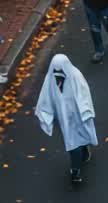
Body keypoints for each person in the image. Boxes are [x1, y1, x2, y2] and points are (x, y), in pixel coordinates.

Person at [35, 54, 98, 188]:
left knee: (74, 142)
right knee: (72, 142)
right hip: (63, 119)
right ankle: (80, 158)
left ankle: (75, 171)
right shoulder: (51, 79)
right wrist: (46, 113)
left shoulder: (75, 76)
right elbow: (46, 96)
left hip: (78, 116)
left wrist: (85, 111)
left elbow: (84, 94)